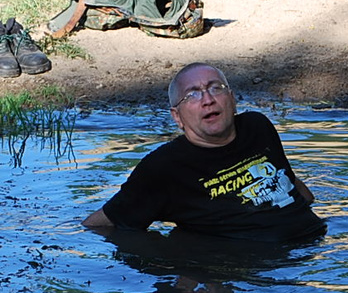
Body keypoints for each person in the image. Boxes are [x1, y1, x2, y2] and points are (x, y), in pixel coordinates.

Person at [83, 62, 325, 243]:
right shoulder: (164, 166)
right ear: (177, 116)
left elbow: (288, 182)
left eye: (215, 88)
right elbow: (101, 224)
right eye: (192, 95)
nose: (207, 100)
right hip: (253, 273)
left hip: (316, 247)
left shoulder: (257, 126)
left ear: (232, 100)